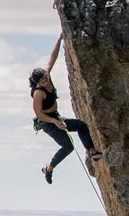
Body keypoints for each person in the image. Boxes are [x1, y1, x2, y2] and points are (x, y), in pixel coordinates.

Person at [29, 33, 98, 183]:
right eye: (42, 81)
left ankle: (93, 152)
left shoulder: (47, 75)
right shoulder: (38, 93)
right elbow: (39, 114)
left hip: (56, 116)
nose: (46, 81)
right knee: (68, 146)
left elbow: (52, 57)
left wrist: (60, 39)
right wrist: (55, 122)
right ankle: (48, 169)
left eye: (46, 78)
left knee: (81, 125)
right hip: (47, 122)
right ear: (38, 83)